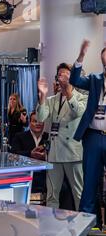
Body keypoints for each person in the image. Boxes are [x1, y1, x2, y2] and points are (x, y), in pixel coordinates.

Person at [37, 63, 87, 211]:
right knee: (52, 195)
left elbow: (77, 112)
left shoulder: (82, 97)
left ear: (72, 78)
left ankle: (82, 230)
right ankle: (52, 229)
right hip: (54, 153)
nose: (61, 79)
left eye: (65, 75)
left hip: (73, 153)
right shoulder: (52, 99)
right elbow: (41, 117)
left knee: (78, 193)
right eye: (59, 76)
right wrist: (42, 96)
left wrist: (68, 92)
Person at [69, 39, 106, 226]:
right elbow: (74, 80)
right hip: (93, 137)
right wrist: (81, 56)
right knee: (90, 181)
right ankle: (87, 225)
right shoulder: (94, 80)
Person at [11, 111, 49, 193]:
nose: (38, 124)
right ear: (29, 123)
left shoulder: (49, 137)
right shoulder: (20, 136)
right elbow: (13, 154)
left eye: (40, 121)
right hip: (26, 176)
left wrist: (46, 156)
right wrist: (30, 154)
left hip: (46, 177)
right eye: (35, 121)